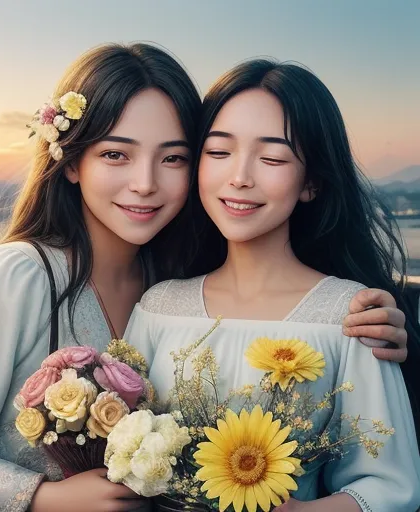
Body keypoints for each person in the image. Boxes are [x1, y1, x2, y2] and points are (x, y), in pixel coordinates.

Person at [0, 44, 408, 511]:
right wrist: (44, 498)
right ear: (70, 161)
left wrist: (353, 319)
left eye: (173, 158)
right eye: (114, 154)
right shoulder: (15, 276)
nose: (145, 183)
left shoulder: (170, 283)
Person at [124, 59, 420, 511]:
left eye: (273, 157)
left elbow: (390, 485)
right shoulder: (159, 305)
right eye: (219, 152)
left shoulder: (350, 315)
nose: (240, 177)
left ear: (312, 183)